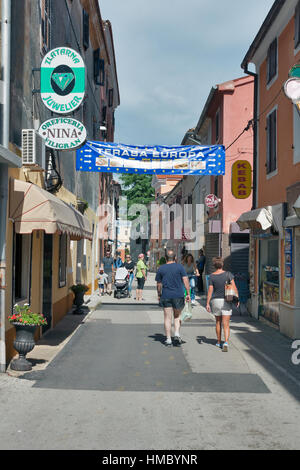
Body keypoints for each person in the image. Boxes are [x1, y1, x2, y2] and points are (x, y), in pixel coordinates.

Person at [156, 250, 190, 347]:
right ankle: (177, 333)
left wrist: (159, 294)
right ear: (175, 258)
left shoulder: (161, 268)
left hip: (166, 295)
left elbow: (159, 284)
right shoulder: (180, 267)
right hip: (178, 295)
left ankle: (168, 339)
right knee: (177, 316)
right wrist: (188, 293)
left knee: (167, 317)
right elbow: (185, 280)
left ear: (165, 258)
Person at [206, 257, 239, 352]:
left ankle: (218, 341)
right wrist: (237, 299)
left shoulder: (211, 276)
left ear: (214, 266)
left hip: (216, 301)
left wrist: (208, 303)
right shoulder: (228, 274)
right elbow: (234, 287)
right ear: (222, 264)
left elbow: (210, 290)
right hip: (226, 300)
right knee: (226, 324)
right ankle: (226, 342)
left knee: (217, 322)